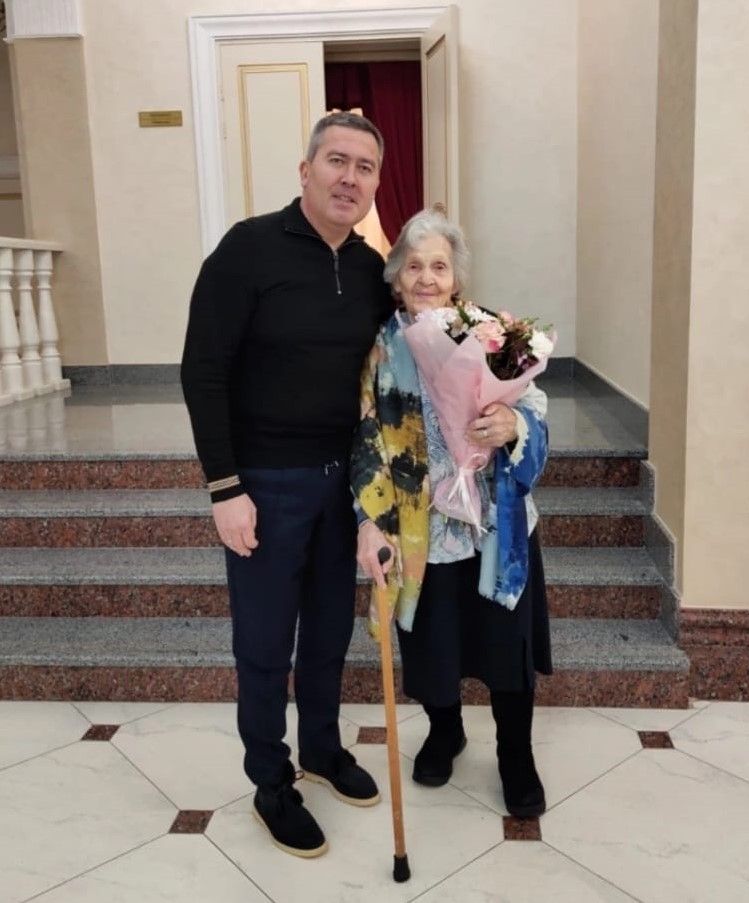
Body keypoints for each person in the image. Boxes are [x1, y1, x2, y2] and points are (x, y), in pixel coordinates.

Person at [181, 112, 393, 858]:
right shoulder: (247, 250)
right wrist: (224, 487)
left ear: (375, 184)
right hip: (265, 485)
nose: (350, 178)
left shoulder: (370, 270)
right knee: (266, 643)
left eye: (365, 167)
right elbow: (202, 371)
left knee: (330, 633)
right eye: (337, 161)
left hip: (343, 488)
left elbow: (401, 366)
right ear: (305, 170)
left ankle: (322, 749)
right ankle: (271, 781)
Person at [352, 208, 552, 819]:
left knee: (506, 647)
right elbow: (365, 437)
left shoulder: (491, 334)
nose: (426, 278)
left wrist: (513, 422)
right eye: (413, 266)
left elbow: (535, 407)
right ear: (396, 278)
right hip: (423, 532)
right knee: (432, 645)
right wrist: (367, 520)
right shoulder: (381, 350)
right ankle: (446, 731)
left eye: (438, 266)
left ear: (456, 277)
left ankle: (515, 753)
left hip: (493, 523)